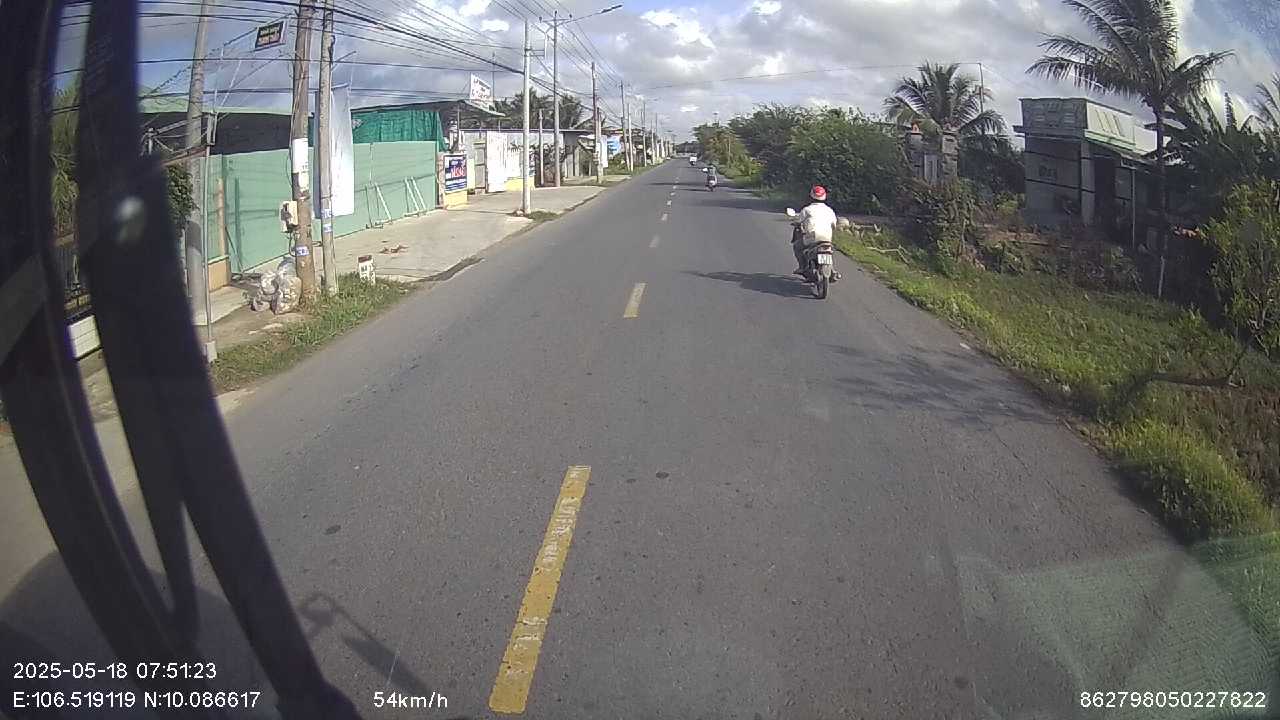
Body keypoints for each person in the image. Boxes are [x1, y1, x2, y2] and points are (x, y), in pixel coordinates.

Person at [792, 185, 840, 282]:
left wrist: (796, 223)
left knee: (797, 246)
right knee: (828, 251)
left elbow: (798, 221)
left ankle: (802, 267)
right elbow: (834, 225)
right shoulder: (829, 210)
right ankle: (832, 271)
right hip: (827, 238)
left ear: (811, 196)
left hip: (813, 237)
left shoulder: (807, 209)